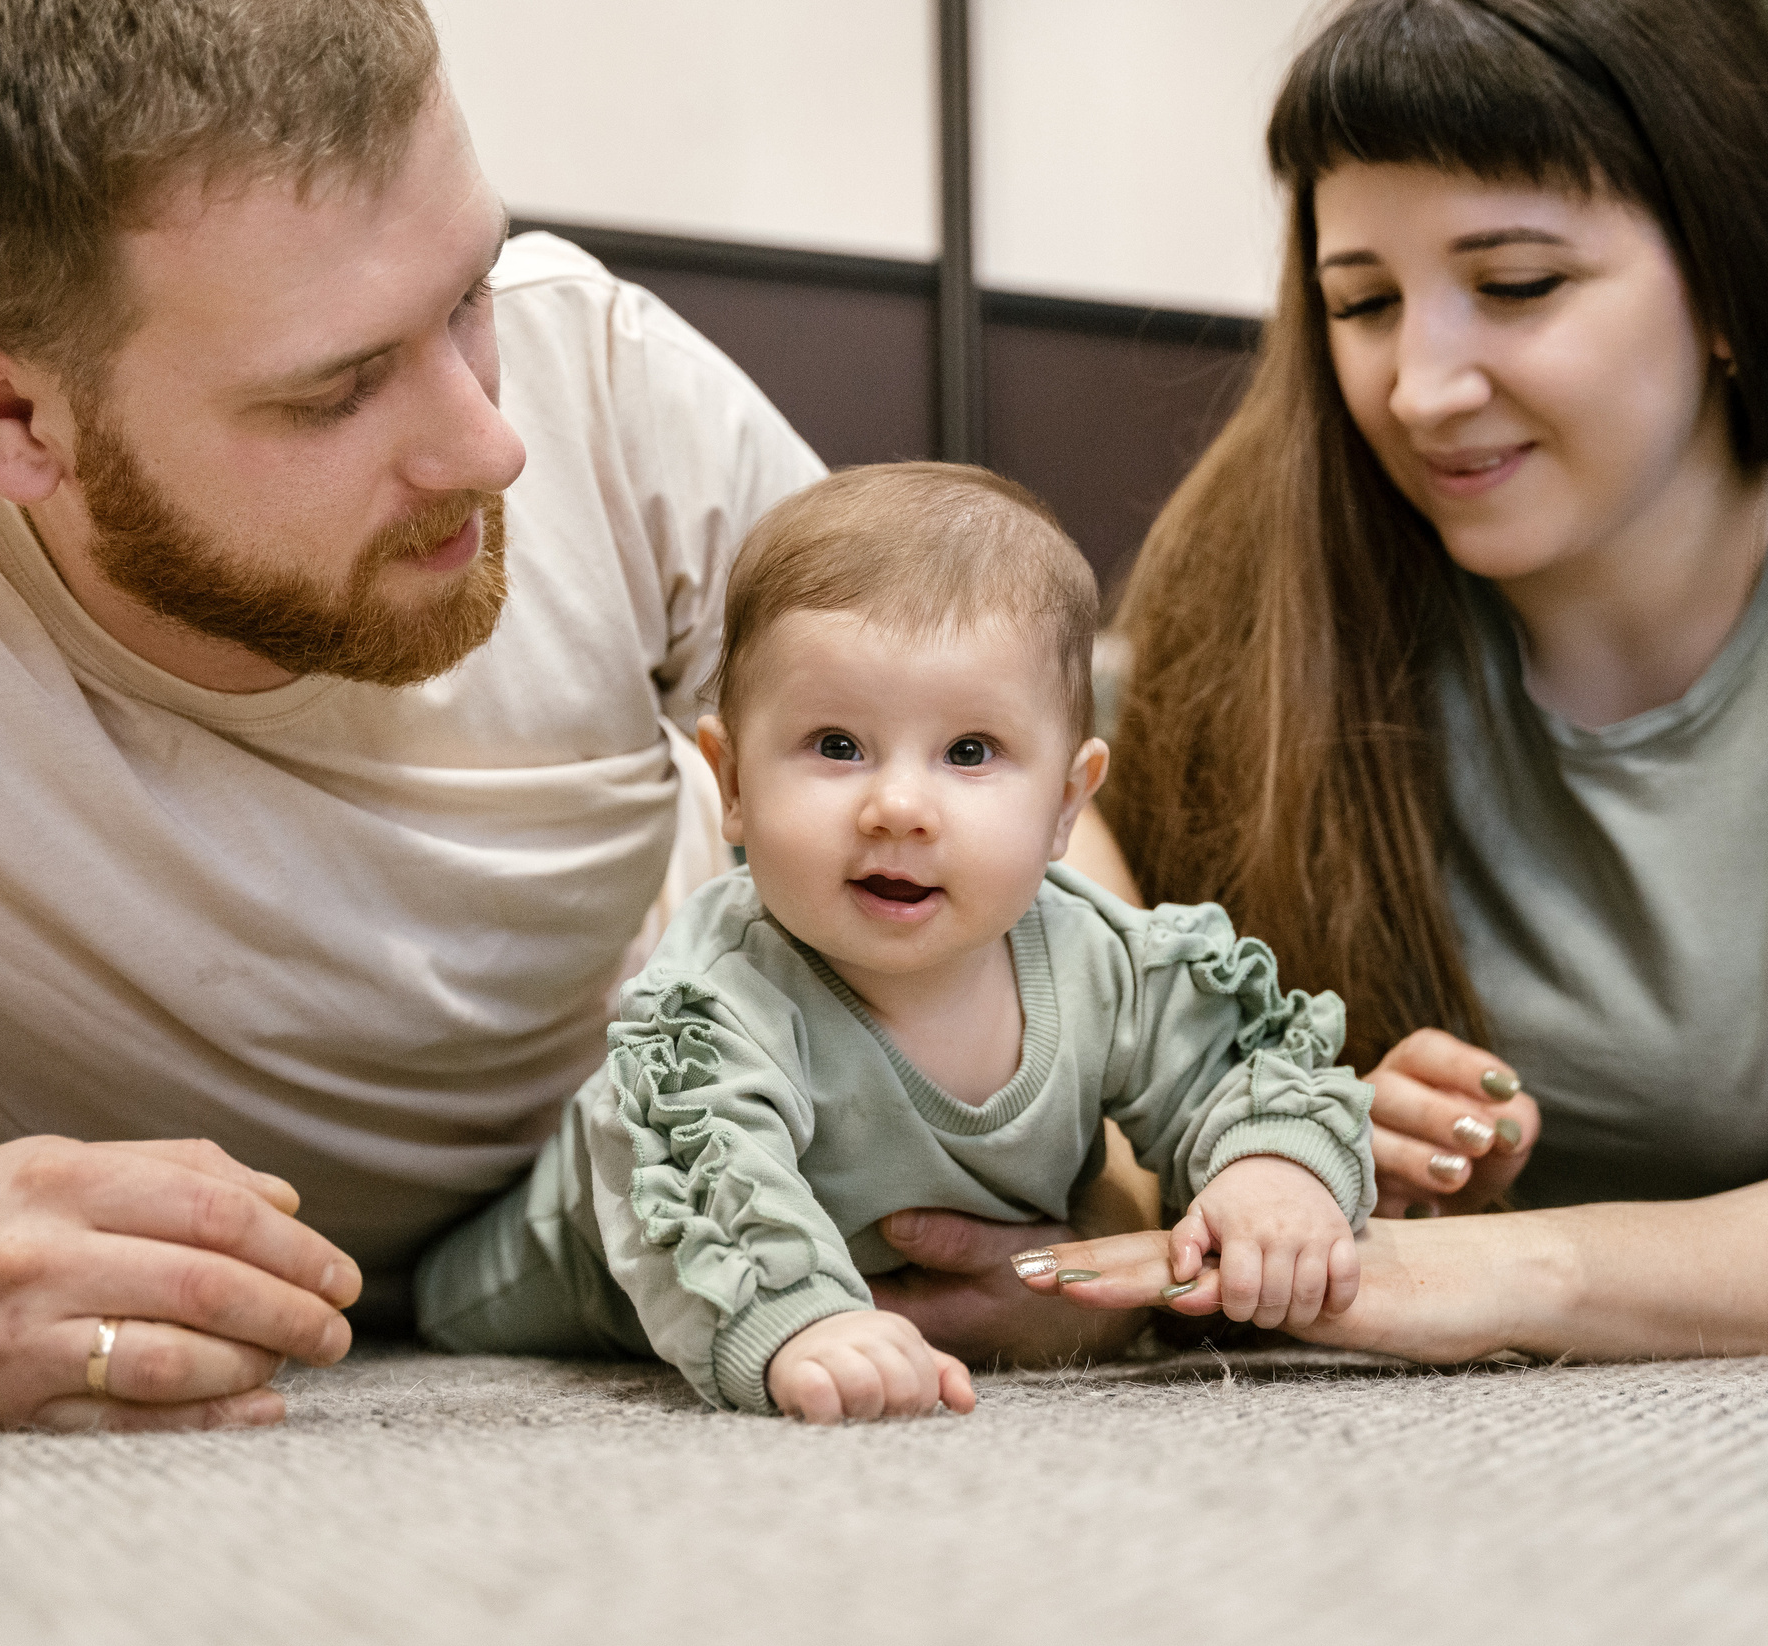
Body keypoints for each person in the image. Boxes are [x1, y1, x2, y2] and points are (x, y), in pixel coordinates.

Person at [0, 0, 856, 1429]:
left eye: (466, 296)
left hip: (761, 1145)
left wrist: (1084, 1177)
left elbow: (1017, 788)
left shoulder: (592, 363)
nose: (495, 444)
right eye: (339, 389)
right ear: (7, 417)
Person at [975, 0, 1768, 1360]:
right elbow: (1025, 785)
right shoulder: (1269, 545)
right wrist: (1216, 1165)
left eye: (1517, 285)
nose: (1420, 389)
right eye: (1364, 303)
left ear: (1726, 279)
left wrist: (1471, 1271)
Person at [414, 464, 1376, 1420]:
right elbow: (705, 1192)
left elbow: (1235, 1061)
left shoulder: (1109, 963)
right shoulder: (720, 997)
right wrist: (800, 1324)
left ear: (1065, 805)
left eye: (969, 752)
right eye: (838, 745)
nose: (900, 808)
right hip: (571, 1264)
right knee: (437, 1301)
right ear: (734, 782)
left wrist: (1273, 1170)